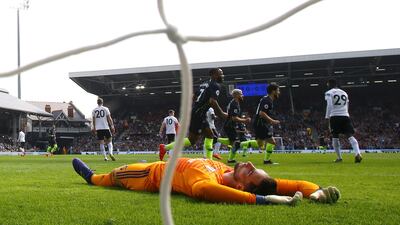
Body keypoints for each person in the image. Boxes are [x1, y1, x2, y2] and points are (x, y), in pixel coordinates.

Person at [72, 157, 340, 205]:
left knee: (105, 178)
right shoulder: (227, 170)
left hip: (149, 174)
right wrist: (316, 193)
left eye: (249, 172)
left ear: (241, 186)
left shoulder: (206, 180)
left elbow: (203, 190)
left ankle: (90, 176)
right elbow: (296, 185)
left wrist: (261, 200)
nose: (248, 165)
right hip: (161, 165)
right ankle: (92, 174)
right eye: (253, 167)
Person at [159, 68, 228, 160]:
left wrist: (199, 104)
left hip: (198, 113)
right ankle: (165, 147)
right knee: (192, 140)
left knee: (210, 135)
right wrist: (221, 113)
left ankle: (208, 160)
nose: (222, 76)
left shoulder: (204, 84)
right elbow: (212, 101)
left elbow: (194, 96)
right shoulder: (215, 85)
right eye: (220, 74)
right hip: (198, 114)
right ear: (214, 75)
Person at [325, 79, 362, 163]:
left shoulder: (329, 93)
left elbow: (329, 105)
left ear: (330, 84)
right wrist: (346, 114)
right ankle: (358, 153)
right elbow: (347, 105)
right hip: (345, 115)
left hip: (335, 116)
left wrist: (327, 117)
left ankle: (339, 158)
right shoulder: (344, 93)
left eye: (328, 85)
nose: (327, 86)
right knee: (350, 135)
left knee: (335, 136)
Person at [253, 83, 281, 164]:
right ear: (273, 91)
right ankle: (266, 160)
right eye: (278, 90)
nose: (279, 92)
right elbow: (262, 113)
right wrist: (272, 120)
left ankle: (238, 144)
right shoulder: (267, 100)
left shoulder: (269, 100)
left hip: (261, 123)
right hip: (260, 123)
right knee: (271, 142)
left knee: (260, 143)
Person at [222, 89, 251, 163]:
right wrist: (245, 120)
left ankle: (231, 159)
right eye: (241, 94)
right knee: (236, 143)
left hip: (231, 125)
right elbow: (234, 118)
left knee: (234, 142)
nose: (242, 95)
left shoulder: (235, 103)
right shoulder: (234, 104)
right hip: (230, 125)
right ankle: (230, 159)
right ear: (236, 95)